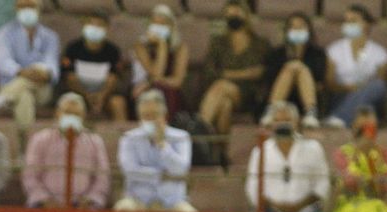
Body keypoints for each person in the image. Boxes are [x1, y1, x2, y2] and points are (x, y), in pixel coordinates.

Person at [196, 1, 268, 158]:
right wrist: (246, 73)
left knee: (221, 85)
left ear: (246, 15)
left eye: (236, 13)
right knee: (225, 105)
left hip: (250, 96)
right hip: (221, 94)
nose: (232, 17)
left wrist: (227, 74)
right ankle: (221, 153)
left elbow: (262, 73)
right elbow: (209, 72)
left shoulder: (260, 44)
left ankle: (199, 131)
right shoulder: (218, 43)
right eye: (228, 14)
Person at [21, 91, 108, 208]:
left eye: (76, 114)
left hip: (85, 206)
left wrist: (89, 200)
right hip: (44, 206)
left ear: (83, 117)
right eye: (67, 113)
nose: (71, 117)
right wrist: (45, 200)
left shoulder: (95, 142)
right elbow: (30, 175)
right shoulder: (40, 139)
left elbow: (102, 177)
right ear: (57, 114)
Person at [115, 88, 194, 212]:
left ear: (164, 115)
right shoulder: (128, 138)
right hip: (138, 200)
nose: (150, 120)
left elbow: (181, 169)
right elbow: (130, 171)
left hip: (172, 202)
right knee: (124, 208)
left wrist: (162, 145)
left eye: (154, 115)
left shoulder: (181, 137)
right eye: (146, 116)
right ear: (140, 117)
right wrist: (161, 175)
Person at [0, 0, 58, 130]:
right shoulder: (4, 32)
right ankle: (26, 140)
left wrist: (44, 73)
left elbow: (52, 65)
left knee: (40, 68)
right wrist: (23, 72)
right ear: (16, 9)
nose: (27, 10)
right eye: (23, 6)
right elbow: (4, 63)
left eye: (31, 6)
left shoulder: (51, 36)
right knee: (24, 97)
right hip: (11, 83)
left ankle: (1, 100)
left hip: (42, 88)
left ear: (39, 8)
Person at [244, 101, 327, 212]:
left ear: (296, 122)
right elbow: (252, 187)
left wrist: (298, 207)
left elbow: (322, 184)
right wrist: (276, 208)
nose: (282, 125)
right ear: (271, 124)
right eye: (277, 121)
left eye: (287, 120)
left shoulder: (313, 148)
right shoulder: (260, 151)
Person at [324, 4, 387, 129]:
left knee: (378, 86)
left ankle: (339, 119)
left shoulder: (380, 53)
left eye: (353, 21)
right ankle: (344, 119)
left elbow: (380, 86)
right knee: (363, 105)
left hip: (368, 100)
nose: (349, 24)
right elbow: (329, 82)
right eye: (346, 21)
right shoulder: (334, 49)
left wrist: (361, 90)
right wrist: (348, 88)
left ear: (367, 24)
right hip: (341, 96)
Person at [60, 13, 126, 123]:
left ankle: (123, 137)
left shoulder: (113, 51)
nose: (95, 28)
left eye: (99, 25)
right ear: (84, 25)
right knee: (69, 102)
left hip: (104, 95)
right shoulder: (73, 48)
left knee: (118, 102)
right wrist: (87, 96)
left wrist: (101, 96)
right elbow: (69, 78)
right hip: (79, 93)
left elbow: (114, 78)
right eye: (91, 23)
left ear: (107, 29)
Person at [331, 105, 387, 212]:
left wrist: (375, 161)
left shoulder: (386, 154)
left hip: (377, 206)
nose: (366, 135)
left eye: (370, 130)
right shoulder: (342, 153)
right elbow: (347, 185)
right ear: (353, 129)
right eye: (361, 130)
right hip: (349, 205)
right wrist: (356, 155)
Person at [263, 12, 324, 129]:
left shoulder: (318, 54)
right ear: (287, 31)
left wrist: (299, 71)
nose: (297, 30)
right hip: (283, 98)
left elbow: (320, 81)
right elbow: (270, 79)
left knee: (298, 67)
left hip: (306, 99)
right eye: (293, 27)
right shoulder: (276, 54)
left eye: (301, 27)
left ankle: (310, 113)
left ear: (309, 30)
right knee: (291, 67)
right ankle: (272, 111)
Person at [129, 5, 187, 119]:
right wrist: (162, 46)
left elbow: (177, 81)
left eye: (163, 24)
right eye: (155, 24)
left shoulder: (180, 48)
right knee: (155, 91)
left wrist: (163, 45)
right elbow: (156, 73)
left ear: (171, 26)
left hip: (166, 89)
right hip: (144, 88)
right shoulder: (140, 46)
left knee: (165, 91)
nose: (158, 28)